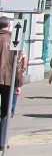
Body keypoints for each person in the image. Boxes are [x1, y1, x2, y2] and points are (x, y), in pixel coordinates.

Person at [0, 16, 14, 148]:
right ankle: (3, 141)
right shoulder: (13, 40)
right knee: (5, 111)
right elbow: (17, 63)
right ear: (9, 26)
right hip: (8, 79)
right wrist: (18, 83)